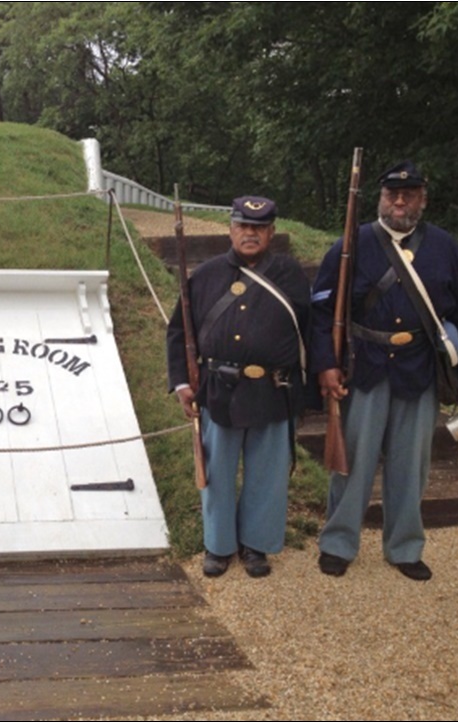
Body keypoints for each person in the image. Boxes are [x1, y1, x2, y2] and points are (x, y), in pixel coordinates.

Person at [310, 160, 458, 581]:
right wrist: (326, 366)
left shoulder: (444, 247)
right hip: (365, 365)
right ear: (381, 198)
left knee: (411, 465)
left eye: (409, 194)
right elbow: (321, 312)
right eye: (392, 194)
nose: (400, 201)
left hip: (420, 368)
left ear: (422, 198)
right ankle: (338, 542)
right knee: (353, 461)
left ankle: (404, 546)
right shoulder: (352, 243)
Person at [167, 196, 310, 578]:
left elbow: (311, 331)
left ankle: (256, 546)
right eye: (244, 227)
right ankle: (219, 545)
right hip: (218, 390)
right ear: (231, 230)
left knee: (268, 475)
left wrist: (315, 379)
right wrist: (182, 381)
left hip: (273, 390)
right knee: (217, 473)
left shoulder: (289, 274)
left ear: (271, 232)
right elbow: (180, 331)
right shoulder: (207, 275)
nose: (251, 234)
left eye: (259, 228)